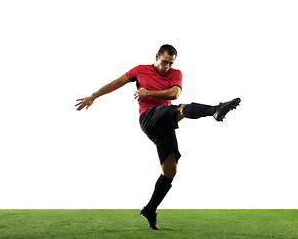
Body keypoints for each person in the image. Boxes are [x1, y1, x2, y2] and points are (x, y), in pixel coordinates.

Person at [75, 44, 240, 230]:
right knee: (182, 109)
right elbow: (116, 83)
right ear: (156, 56)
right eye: (164, 62)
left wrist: (148, 92)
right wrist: (94, 96)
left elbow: (174, 93)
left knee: (170, 170)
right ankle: (215, 110)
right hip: (148, 117)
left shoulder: (176, 73)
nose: (166, 67)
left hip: (164, 123)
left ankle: (150, 209)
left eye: (170, 63)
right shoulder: (140, 70)